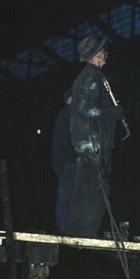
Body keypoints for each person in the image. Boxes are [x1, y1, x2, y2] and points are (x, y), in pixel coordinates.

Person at [66, 36, 125, 238]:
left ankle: (76, 237)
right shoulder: (92, 77)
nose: (107, 53)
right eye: (104, 50)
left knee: (84, 193)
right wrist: (113, 113)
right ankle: (84, 238)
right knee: (95, 193)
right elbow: (86, 109)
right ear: (98, 54)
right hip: (94, 145)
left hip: (88, 145)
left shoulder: (85, 77)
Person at [51, 88, 74, 235]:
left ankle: (63, 230)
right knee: (66, 199)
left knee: (65, 198)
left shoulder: (63, 113)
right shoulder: (67, 114)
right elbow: (67, 140)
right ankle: (62, 231)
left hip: (62, 162)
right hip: (66, 162)